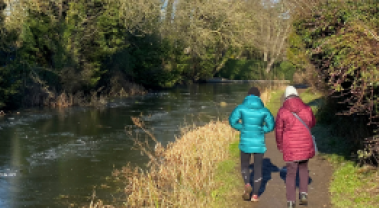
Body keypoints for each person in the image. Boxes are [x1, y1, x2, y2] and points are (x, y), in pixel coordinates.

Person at [229, 87, 275, 202]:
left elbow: (232, 121)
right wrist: (260, 130)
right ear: (259, 96)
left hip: (245, 142)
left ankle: (247, 185)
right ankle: (255, 195)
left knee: (245, 165)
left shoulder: (241, 108)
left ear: (248, 95)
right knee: (258, 168)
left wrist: (242, 128)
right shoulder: (264, 110)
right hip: (259, 143)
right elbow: (271, 125)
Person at [275, 86, 316, 208]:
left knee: (291, 174)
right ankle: (303, 194)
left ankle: (291, 202)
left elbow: (278, 131)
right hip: (305, 144)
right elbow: (312, 123)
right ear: (297, 95)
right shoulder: (307, 108)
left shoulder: (282, 111)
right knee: (303, 169)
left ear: (286, 96)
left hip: (291, 147)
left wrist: (280, 145)